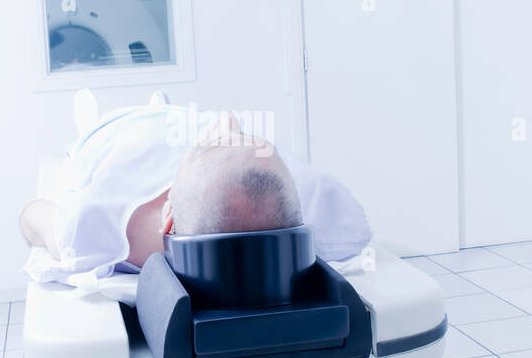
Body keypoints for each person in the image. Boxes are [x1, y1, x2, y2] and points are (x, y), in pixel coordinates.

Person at [20, 98, 371, 291]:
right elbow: (357, 227)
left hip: (118, 131)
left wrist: (54, 222)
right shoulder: (311, 198)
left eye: (231, 137)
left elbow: (31, 216)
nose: (231, 120)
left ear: (168, 218)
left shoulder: (90, 223)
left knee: (89, 138)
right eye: (243, 136)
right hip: (156, 125)